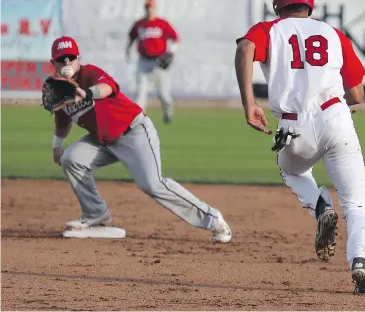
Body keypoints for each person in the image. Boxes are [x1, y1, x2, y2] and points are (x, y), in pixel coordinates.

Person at [234, 0, 365, 294]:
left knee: (292, 170)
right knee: (356, 203)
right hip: (335, 117)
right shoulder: (333, 33)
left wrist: (249, 104)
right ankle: (362, 262)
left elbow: (245, 49)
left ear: (279, 2)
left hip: (292, 124)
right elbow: (356, 92)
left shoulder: (268, 30)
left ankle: (319, 207)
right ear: (309, 2)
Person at [49, 35, 231, 243]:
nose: (66, 63)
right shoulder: (59, 90)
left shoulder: (90, 73)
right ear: (53, 63)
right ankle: (95, 214)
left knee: (153, 185)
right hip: (103, 140)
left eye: (71, 58)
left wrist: (86, 93)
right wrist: (57, 145)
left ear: (78, 59)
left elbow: (107, 88)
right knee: (71, 159)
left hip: (134, 132)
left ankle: (213, 219)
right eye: (61, 59)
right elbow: (63, 120)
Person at [126, 0, 179, 124]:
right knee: (141, 93)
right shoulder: (139, 24)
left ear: (155, 8)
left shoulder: (162, 23)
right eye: (147, 7)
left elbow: (175, 39)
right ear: (145, 8)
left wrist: (171, 53)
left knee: (164, 94)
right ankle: (138, 120)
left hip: (158, 62)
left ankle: (168, 113)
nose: (150, 9)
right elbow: (131, 38)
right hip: (143, 61)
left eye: (152, 7)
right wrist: (128, 50)